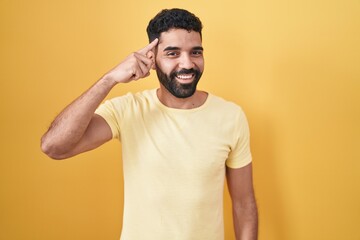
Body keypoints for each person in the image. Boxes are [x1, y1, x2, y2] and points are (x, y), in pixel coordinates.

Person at [41, 8, 258, 240]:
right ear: (152, 58)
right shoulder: (128, 110)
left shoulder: (230, 116)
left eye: (195, 52)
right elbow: (54, 147)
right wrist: (110, 79)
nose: (187, 64)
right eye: (173, 53)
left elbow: (244, 205)